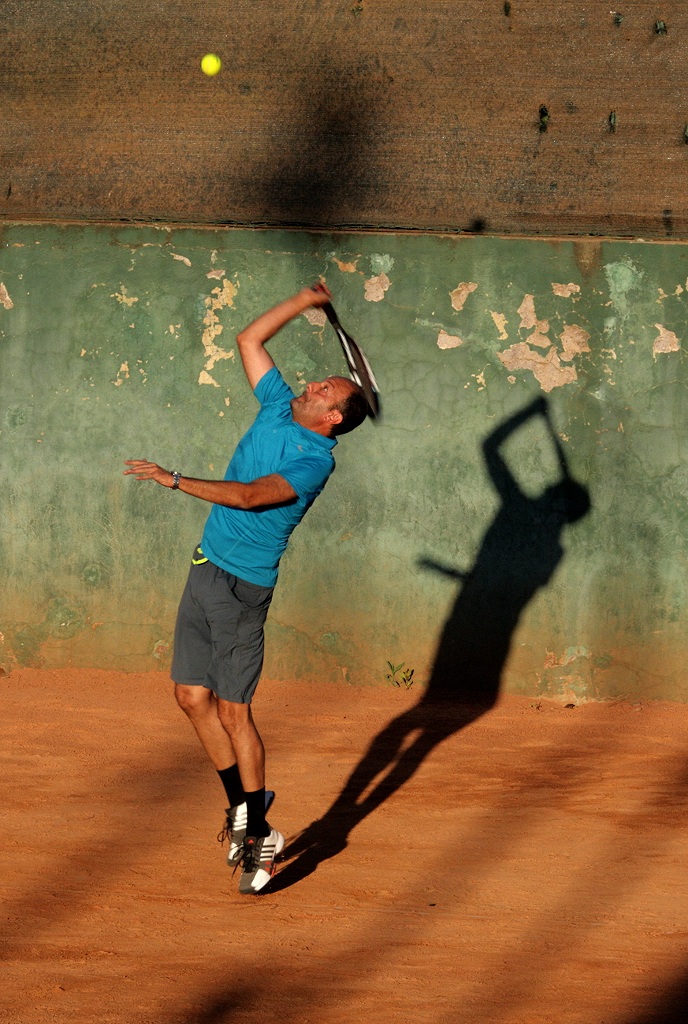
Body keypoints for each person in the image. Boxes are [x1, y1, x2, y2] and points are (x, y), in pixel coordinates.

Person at [124, 284, 368, 894]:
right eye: (318, 381)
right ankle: (244, 807)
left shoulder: (316, 460)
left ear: (333, 418)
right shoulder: (277, 405)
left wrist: (174, 479)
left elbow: (251, 495)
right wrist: (305, 300)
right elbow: (249, 339)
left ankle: (260, 832)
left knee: (235, 710)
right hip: (206, 565)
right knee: (189, 697)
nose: (314, 384)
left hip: (243, 588)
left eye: (326, 390)